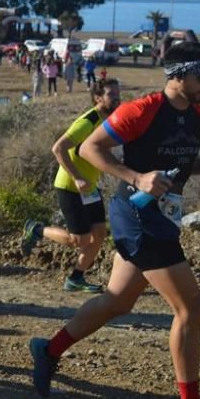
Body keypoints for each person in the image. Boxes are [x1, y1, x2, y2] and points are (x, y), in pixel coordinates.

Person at [29, 42, 200, 399]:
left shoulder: (197, 115)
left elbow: (176, 168)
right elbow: (88, 148)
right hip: (137, 215)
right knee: (192, 308)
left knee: (117, 301)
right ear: (178, 74)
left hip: (160, 217)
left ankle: (48, 350)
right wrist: (136, 179)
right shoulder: (142, 109)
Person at [21, 79, 122, 292]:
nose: (117, 98)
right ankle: (36, 229)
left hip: (90, 188)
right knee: (78, 240)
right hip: (70, 186)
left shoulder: (109, 120)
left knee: (100, 234)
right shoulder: (88, 120)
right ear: (98, 98)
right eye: (112, 94)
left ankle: (76, 278)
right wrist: (77, 177)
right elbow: (58, 148)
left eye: (118, 94)